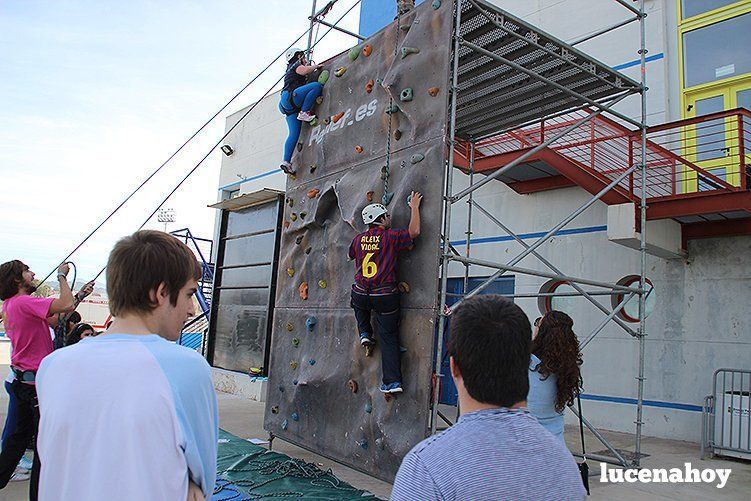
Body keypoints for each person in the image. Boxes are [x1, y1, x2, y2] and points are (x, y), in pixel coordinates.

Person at [35, 230, 218, 501]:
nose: (191, 310)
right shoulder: (186, 368)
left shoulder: (52, 366)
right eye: (189, 294)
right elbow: (204, 476)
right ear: (162, 293)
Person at [391, 295, 586, 500]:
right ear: (520, 365)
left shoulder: (427, 468)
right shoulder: (565, 468)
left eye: (539, 323)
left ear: (454, 367)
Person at [0, 260, 76, 500]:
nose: (32, 273)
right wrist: (61, 277)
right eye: (27, 271)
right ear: (16, 279)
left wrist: (80, 294)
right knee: (45, 447)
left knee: (16, 441)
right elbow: (66, 304)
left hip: (24, 382)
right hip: (36, 387)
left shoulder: (12, 305)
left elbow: (54, 319)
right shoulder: (25, 302)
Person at [348, 192, 422, 394]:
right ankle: (392, 383)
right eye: (386, 216)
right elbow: (414, 231)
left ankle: (364, 332)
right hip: (385, 296)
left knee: (356, 301)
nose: (389, 218)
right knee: (389, 338)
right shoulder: (390, 237)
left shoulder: (357, 240)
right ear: (379, 220)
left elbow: (352, 255)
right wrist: (414, 207)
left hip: (362, 293)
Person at [528, 310, 583, 442]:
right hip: (555, 444)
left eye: (537, 323)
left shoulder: (525, 363)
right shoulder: (567, 368)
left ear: (542, 332)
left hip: (527, 445)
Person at [279, 47, 323, 175]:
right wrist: (315, 67)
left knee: (294, 134)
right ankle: (304, 112)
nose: (305, 59)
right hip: (292, 96)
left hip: (287, 105)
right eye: (303, 57)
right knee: (316, 87)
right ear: (298, 56)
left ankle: (286, 161)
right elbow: (303, 71)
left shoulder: (288, 70)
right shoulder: (296, 65)